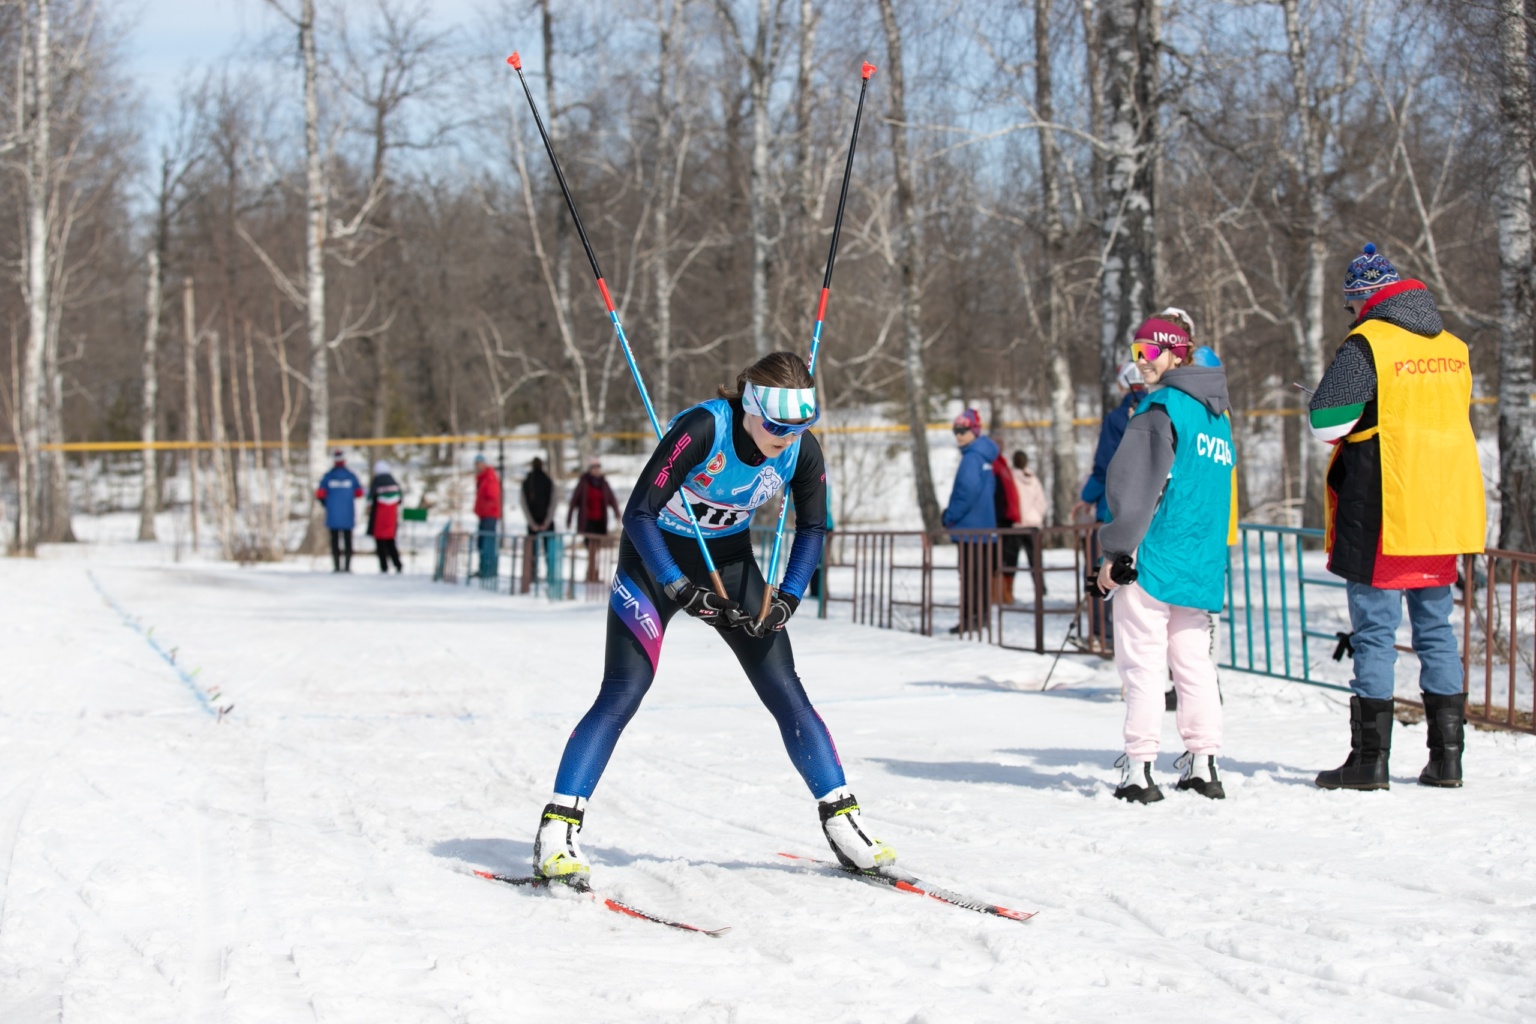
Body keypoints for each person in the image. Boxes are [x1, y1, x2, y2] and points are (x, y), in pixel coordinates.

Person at [531, 351, 895, 881]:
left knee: (785, 689)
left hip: (728, 564)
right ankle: (557, 831)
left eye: (800, 426)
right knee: (624, 691)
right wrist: (679, 587)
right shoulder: (704, 428)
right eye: (775, 425)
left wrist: (790, 595)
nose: (786, 437)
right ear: (750, 406)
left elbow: (813, 528)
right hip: (654, 565)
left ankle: (844, 822)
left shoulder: (799, 451)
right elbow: (638, 513)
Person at [1307, 244, 1485, 791]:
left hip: (1384, 505)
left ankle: (1369, 761)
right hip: (1444, 508)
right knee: (1436, 630)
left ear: (1363, 299)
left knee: (1376, 632)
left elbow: (1327, 422)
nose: (1351, 316)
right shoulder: (1455, 348)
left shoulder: (1369, 344)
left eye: (1350, 306)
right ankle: (1447, 759)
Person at [1096, 314, 1234, 803]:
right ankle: (1204, 762)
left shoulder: (1160, 408)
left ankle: (1139, 769)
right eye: (1135, 353)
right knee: (1195, 666)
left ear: (1176, 352)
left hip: (1153, 557)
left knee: (1143, 666)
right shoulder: (1217, 415)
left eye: (1150, 352)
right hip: (1198, 560)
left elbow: (1134, 489)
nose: (1141, 363)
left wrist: (1115, 551)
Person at [942, 408, 998, 634]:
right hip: (985, 527)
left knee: (970, 577)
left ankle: (970, 619)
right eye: (955, 430)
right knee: (981, 576)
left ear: (974, 431)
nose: (958, 435)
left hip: (969, 529)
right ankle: (981, 618)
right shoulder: (985, 456)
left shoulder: (972, 458)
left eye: (963, 430)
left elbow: (966, 492)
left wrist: (949, 516)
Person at [567, 457, 622, 583]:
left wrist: (617, 514)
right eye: (594, 468)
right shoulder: (584, 482)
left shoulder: (603, 483)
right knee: (591, 548)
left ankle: (592, 573)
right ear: (590, 469)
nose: (596, 470)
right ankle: (592, 574)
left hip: (600, 521)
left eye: (598, 467)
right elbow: (574, 500)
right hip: (587, 521)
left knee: (595, 549)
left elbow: (611, 499)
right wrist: (569, 518)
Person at [1008, 450, 1048, 596]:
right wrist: (1037, 516)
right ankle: (1041, 589)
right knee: (1036, 560)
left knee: (1011, 561)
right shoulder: (1034, 479)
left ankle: (1007, 591)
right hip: (1033, 524)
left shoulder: (1011, 477)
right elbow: (1041, 502)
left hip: (1016, 524)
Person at [316, 449, 363, 573]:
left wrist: (326, 503)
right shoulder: (351, 476)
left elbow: (320, 493)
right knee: (348, 541)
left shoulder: (328, 476)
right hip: (348, 514)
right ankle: (347, 567)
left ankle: (337, 567)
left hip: (333, 515)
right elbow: (359, 492)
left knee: (335, 541)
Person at [520, 457, 559, 593]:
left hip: (534, 525)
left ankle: (532, 576)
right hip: (546, 524)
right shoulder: (548, 481)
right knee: (549, 552)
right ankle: (551, 576)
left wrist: (532, 523)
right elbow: (554, 501)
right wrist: (547, 521)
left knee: (533, 553)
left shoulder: (527, 482)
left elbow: (523, 503)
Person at [991, 438, 1021, 604]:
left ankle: (1006, 592)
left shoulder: (1003, 466)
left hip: (1007, 518)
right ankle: (996, 594)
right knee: (996, 558)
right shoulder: (994, 466)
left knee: (1009, 558)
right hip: (999, 518)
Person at [366, 459, 404, 573]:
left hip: (379, 517)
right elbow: (400, 499)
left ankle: (384, 566)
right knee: (391, 541)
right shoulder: (394, 481)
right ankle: (398, 564)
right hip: (392, 517)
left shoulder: (376, 481)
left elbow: (370, 500)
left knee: (380, 542)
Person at [473, 453, 502, 580]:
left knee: (488, 542)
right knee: (482, 543)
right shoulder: (482, 478)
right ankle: (483, 568)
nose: (478, 467)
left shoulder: (489, 477)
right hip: (483, 514)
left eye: (479, 464)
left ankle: (489, 569)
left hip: (490, 514)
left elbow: (492, 494)